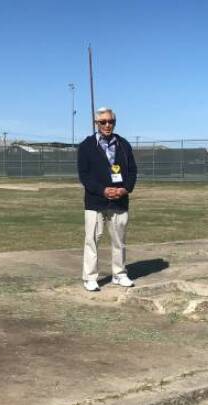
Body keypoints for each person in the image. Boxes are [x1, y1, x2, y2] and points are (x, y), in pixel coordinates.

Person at [76, 107, 138, 291]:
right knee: (92, 239)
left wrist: (125, 189)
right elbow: (84, 175)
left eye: (110, 121)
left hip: (119, 201)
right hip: (95, 202)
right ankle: (90, 277)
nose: (107, 125)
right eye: (103, 122)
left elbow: (133, 170)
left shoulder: (123, 144)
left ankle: (119, 274)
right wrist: (103, 190)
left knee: (119, 240)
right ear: (97, 124)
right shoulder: (86, 146)